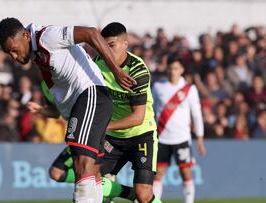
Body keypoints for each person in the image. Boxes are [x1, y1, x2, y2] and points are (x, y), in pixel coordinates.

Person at [0, 10, 135, 202]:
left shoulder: (47, 37)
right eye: (9, 53)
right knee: (92, 170)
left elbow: (90, 33)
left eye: (14, 49)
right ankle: (130, 196)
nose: (14, 56)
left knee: (82, 163)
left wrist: (116, 70)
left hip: (90, 95)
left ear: (24, 35)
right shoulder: (20, 41)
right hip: (85, 102)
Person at [30, 22, 161, 203]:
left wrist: (99, 126)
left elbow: (137, 118)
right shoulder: (96, 64)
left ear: (126, 43)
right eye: (103, 46)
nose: (107, 51)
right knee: (90, 175)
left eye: (112, 46)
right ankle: (125, 195)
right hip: (111, 136)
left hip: (141, 135)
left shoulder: (137, 70)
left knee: (144, 194)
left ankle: (134, 195)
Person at [152, 54, 206, 203]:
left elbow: (196, 114)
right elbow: (150, 111)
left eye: (175, 68)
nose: (172, 71)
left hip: (181, 138)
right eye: (170, 68)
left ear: (181, 69)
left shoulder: (189, 89)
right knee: (157, 175)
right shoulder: (158, 87)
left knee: (186, 173)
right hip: (161, 138)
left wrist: (200, 138)